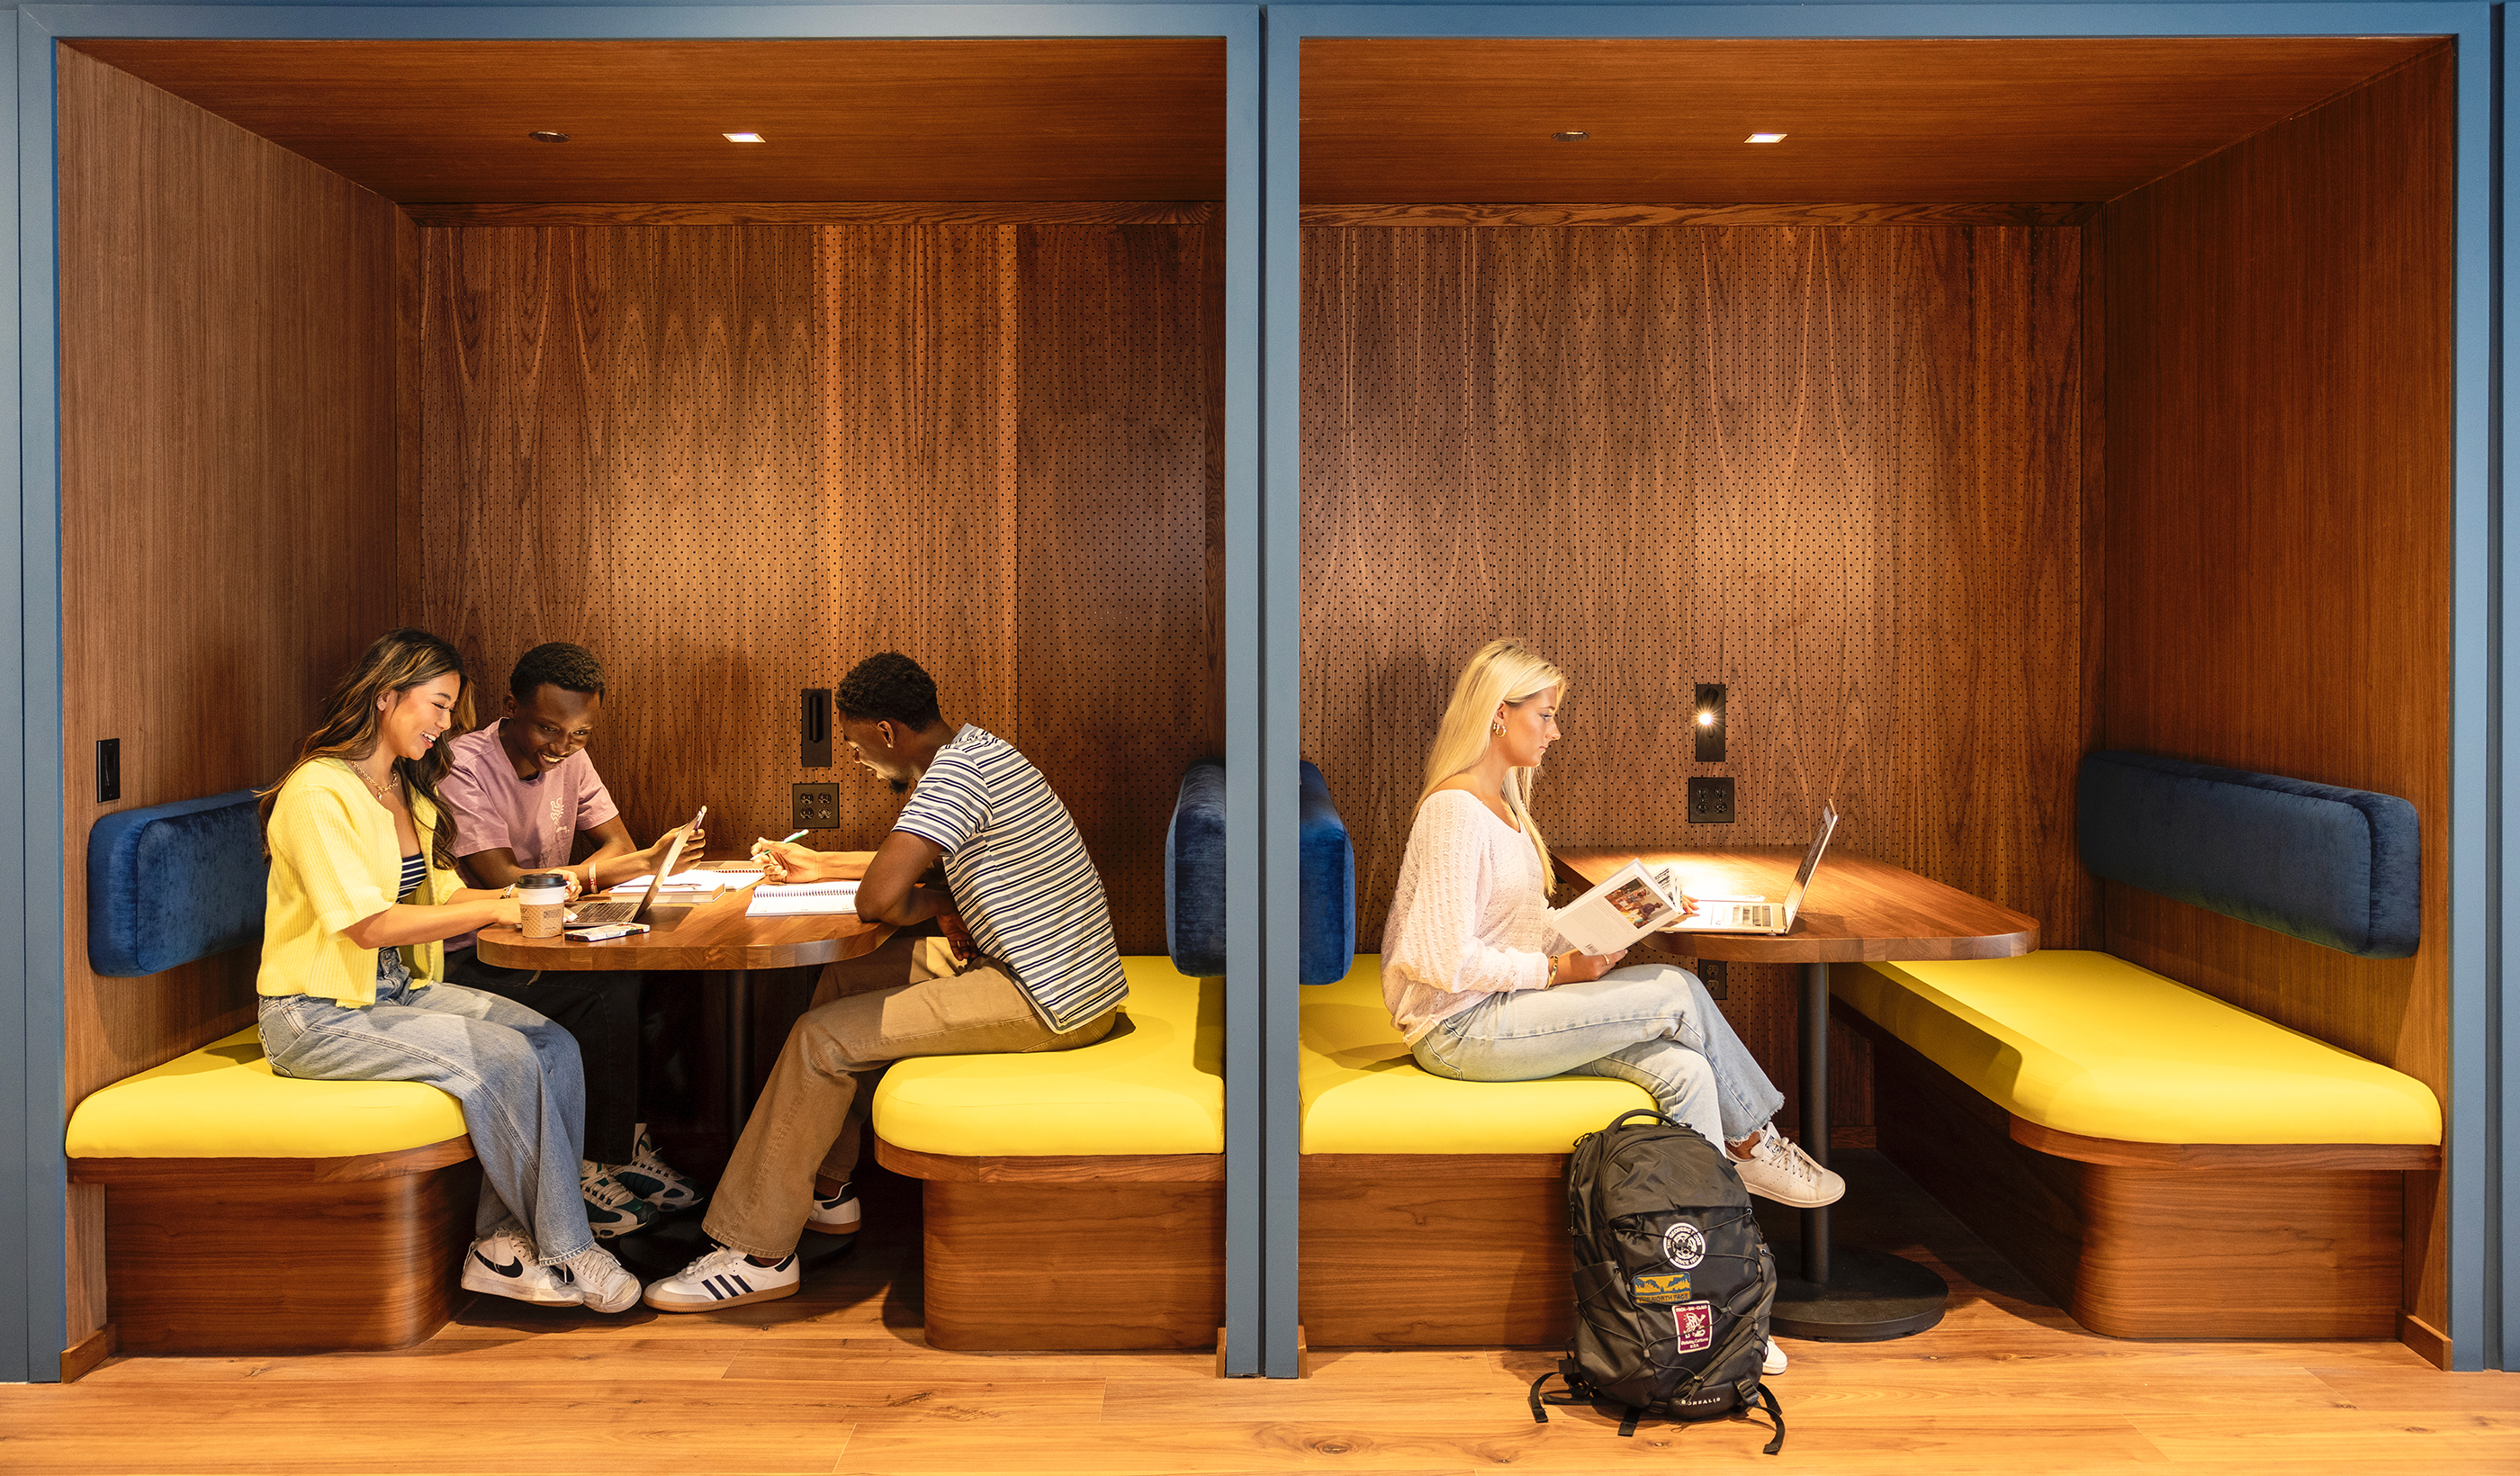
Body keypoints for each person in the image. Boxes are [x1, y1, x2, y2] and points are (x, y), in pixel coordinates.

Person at [644, 652, 1128, 1311]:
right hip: (1060, 974)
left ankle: (757, 1254)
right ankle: (826, 1187)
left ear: (888, 732)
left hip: (1046, 999)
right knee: (846, 978)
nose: (858, 759)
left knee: (820, 1040)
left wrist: (934, 903)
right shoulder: (978, 752)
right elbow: (911, 870)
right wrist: (826, 867)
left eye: (856, 744)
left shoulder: (952, 780)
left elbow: (877, 901)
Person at [254, 628, 640, 1312]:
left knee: (553, 1043)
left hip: (396, 992)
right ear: (385, 696)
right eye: (436, 705)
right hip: (315, 1013)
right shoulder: (319, 791)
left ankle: (500, 1248)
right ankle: (570, 1246)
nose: (445, 723)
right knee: (506, 1059)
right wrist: (501, 903)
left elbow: (442, 896)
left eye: (452, 708)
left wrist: (524, 900)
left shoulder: (406, 788)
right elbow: (368, 925)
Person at [1382, 637, 1845, 1206]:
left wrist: (1633, 913)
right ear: (1500, 712)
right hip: (1457, 1028)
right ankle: (1753, 1143)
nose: (1555, 732)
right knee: (1676, 992)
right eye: (1545, 715)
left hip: (1501, 1008)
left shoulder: (1502, 806)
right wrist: (1556, 970)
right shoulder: (1454, 811)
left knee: (1687, 1071)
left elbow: (1516, 927)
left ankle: (1703, 1238)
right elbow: (1442, 959)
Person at [436, 642, 706, 1236]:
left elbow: (618, 845)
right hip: (478, 953)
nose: (561, 746)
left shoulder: (571, 758)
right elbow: (505, 880)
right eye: (548, 729)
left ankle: (627, 1145)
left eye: (580, 734)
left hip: (553, 934)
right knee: (605, 995)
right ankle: (590, 1165)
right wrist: (598, 874)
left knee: (672, 979)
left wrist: (614, 868)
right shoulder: (462, 764)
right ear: (511, 707)